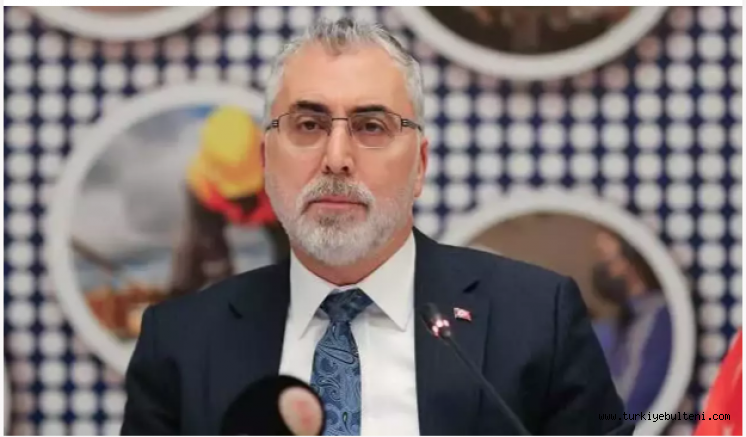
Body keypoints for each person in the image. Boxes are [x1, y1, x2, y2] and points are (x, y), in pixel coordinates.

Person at [121, 18, 630, 435]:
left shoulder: (537, 320)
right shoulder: (180, 342)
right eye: (308, 125)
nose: (336, 158)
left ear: (420, 167)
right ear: (266, 161)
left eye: (371, 126)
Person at [168, 106, 290, 297]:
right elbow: (212, 245)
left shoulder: (287, 176)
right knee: (192, 246)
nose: (242, 196)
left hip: (276, 215)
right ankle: (176, 299)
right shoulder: (201, 184)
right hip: (212, 208)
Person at [590, 230, 672, 418]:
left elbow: (635, 401)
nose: (600, 269)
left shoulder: (660, 318)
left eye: (605, 259)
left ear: (632, 260)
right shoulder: (626, 318)